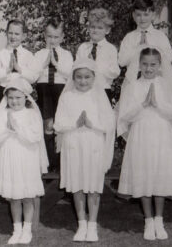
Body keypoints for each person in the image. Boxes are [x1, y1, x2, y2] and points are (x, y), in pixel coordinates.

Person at [117, 46, 172, 241]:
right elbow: (124, 116)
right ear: (139, 64)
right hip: (141, 134)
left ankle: (159, 219)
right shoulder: (133, 86)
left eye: (153, 65)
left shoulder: (167, 86)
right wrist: (143, 104)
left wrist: (158, 105)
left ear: (159, 65)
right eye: (145, 64)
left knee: (159, 176)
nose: (148, 68)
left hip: (162, 134)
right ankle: (148, 220)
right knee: (144, 175)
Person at [53, 58, 115, 242]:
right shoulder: (67, 96)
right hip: (73, 143)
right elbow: (58, 123)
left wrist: (91, 123)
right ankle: (81, 223)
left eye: (87, 77)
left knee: (93, 185)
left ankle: (93, 225)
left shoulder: (99, 96)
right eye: (79, 77)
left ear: (93, 77)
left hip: (93, 143)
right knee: (77, 184)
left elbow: (109, 123)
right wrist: (74, 123)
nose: (82, 81)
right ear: (73, 78)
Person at [0, 75, 48, 245]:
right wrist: (8, 130)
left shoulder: (31, 114)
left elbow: (34, 137)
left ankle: (27, 230)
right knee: (14, 197)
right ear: (6, 99)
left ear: (26, 97)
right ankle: (17, 230)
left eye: (18, 98)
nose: (14, 102)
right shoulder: (3, 114)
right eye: (11, 98)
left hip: (26, 157)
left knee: (27, 196)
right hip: (10, 156)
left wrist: (18, 129)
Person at [34, 16, 73, 171]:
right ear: (44, 36)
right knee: (48, 125)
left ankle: (62, 163)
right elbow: (34, 75)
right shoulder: (39, 54)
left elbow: (70, 75)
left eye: (56, 37)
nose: (52, 40)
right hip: (44, 89)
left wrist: (56, 65)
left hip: (61, 90)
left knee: (61, 125)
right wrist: (44, 64)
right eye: (49, 36)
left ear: (62, 37)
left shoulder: (66, 54)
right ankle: (50, 163)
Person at [118, 0, 172, 85]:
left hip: (156, 79)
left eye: (146, 14)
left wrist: (154, 50)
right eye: (139, 15)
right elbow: (121, 61)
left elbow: (169, 58)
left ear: (153, 15)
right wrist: (137, 48)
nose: (142, 18)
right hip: (134, 80)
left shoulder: (160, 36)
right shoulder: (129, 37)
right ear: (133, 16)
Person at [75, 7, 120, 103]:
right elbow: (75, 68)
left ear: (107, 30)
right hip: (84, 90)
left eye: (100, 28)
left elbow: (115, 72)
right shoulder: (83, 48)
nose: (95, 30)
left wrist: (95, 66)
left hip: (103, 89)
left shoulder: (110, 49)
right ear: (88, 28)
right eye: (93, 27)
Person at [0, 19, 38, 102]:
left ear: (24, 36)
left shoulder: (28, 55)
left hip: (22, 91)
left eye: (17, 34)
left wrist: (19, 69)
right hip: (4, 90)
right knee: (5, 114)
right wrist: (7, 70)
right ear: (6, 33)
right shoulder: (0, 54)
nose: (13, 36)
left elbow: (34, 77)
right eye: (10, 33)